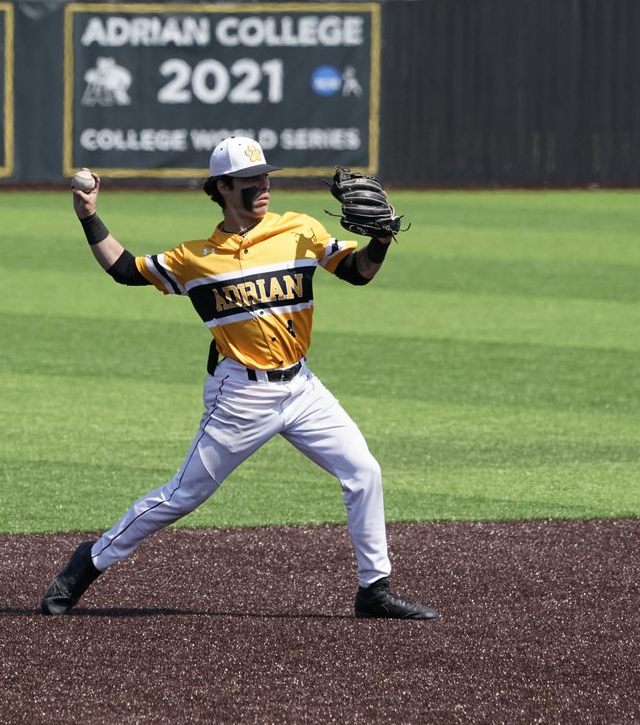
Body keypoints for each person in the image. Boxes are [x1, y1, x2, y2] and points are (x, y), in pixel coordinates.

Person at [41, 136, 439, 620]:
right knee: (182, 496)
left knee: (364, 471)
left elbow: (357, 273)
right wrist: (88, 216)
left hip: (303, 389)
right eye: (251, 180)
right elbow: (125, 270)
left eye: (266, 176)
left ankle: (373, 589)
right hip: (241, 397)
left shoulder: (299, 230)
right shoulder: (196, 257)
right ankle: (89, 562)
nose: (264, 186)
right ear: (224, 188)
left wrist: (379, 240)